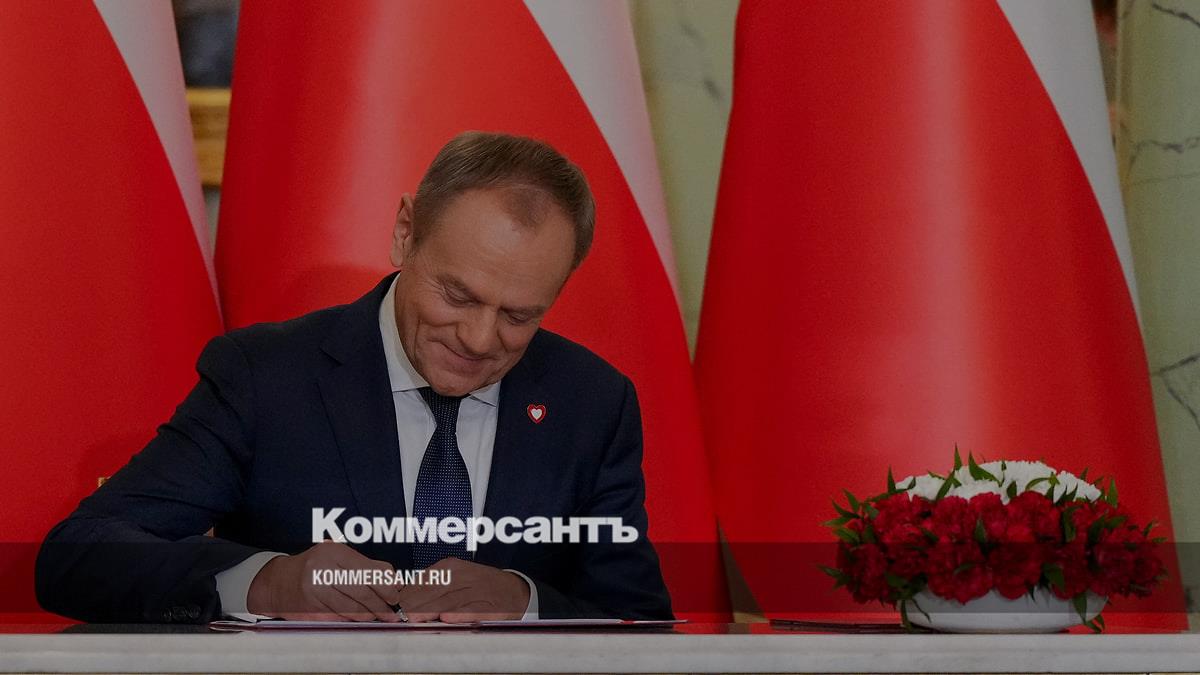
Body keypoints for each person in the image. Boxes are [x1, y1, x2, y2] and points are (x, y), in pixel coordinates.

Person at [35, 131, 673, 624]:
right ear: (405, 233)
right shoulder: (265, 377)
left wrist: (526, 601)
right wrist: (266, 581)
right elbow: (81, 554)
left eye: (519, 316)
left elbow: (641, 620)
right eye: (457, 295)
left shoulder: (593, 402)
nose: (480, 340)